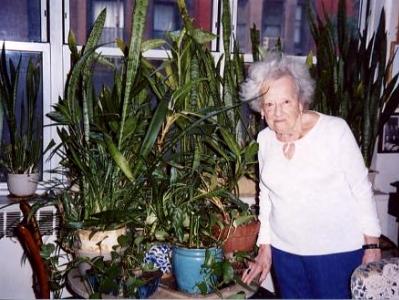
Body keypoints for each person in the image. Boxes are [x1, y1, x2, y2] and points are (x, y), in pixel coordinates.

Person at [240, 55, 382, 299]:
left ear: (300, 102)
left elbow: (361, 189)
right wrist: (266, 248)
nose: (278, 111)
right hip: (286, 255)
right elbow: (267, 197)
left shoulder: (334, 131)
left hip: (336, 253)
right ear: (261, 111)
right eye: (270, 104)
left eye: (285, 101)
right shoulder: (264, 141)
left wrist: (372, 246)